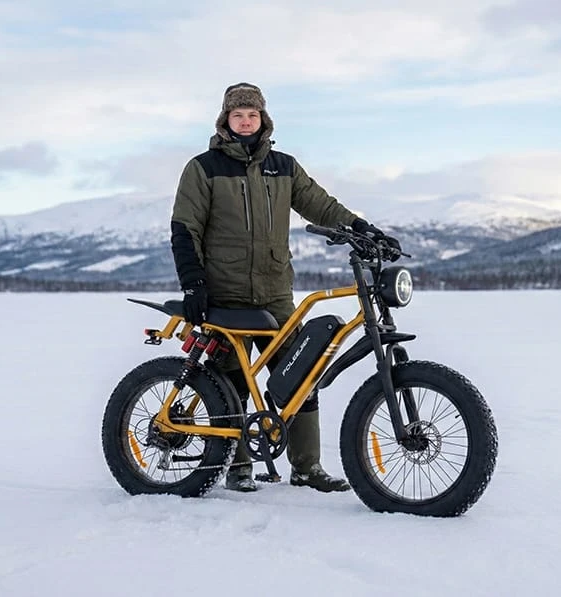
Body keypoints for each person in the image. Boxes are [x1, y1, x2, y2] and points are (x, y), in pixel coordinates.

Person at [170, 82, 399, 493]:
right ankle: (239, 466)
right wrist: (194, 284)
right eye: (237, 115)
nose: (245, 121)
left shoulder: (284, 166)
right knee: (233, 383)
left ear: (263, 119)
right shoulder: (203, 168)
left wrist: (363, 228)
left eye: (252, 115)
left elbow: (322, 206)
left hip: (276, 293)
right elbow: (184, 229)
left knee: (301, 377)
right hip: (226, 292)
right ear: (226, 120)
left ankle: (307, 468)